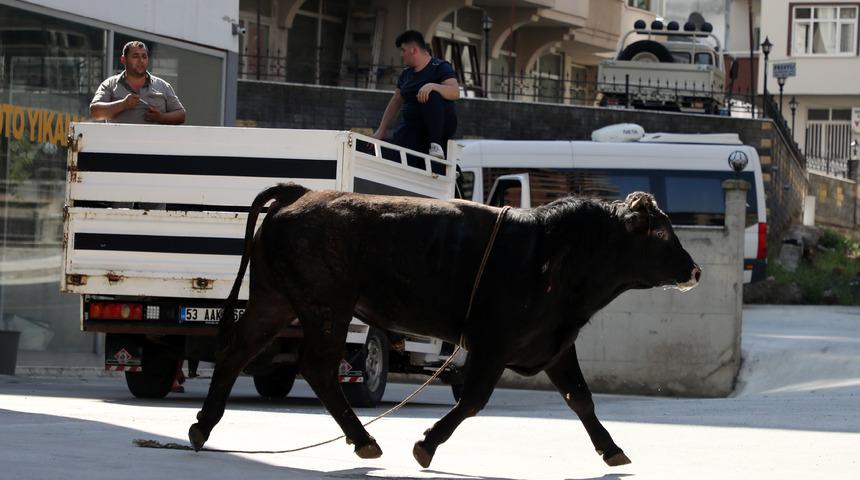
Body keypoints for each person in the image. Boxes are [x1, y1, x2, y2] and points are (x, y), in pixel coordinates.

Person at [372, 30, 459, 159]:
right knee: (375, 149)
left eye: (403, 50)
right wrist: (381, 130)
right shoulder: (406, 74)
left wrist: (432, 86)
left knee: (432, 94)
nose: (401, 55)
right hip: (411, 129)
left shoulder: (440, 67)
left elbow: (455, 92)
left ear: (413, 50)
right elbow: (396, 101)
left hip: (434, 127)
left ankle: (435, 145)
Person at [90, 40, 186, 125]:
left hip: (154, 144)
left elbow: (181, 115)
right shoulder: (110, 84)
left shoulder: (163, 86)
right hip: (119, 144)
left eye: (144, 56)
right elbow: (95, 112)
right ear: (124, 60)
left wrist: (161, 117)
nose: (141, 61)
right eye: (135, 56)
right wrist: (123, 104)